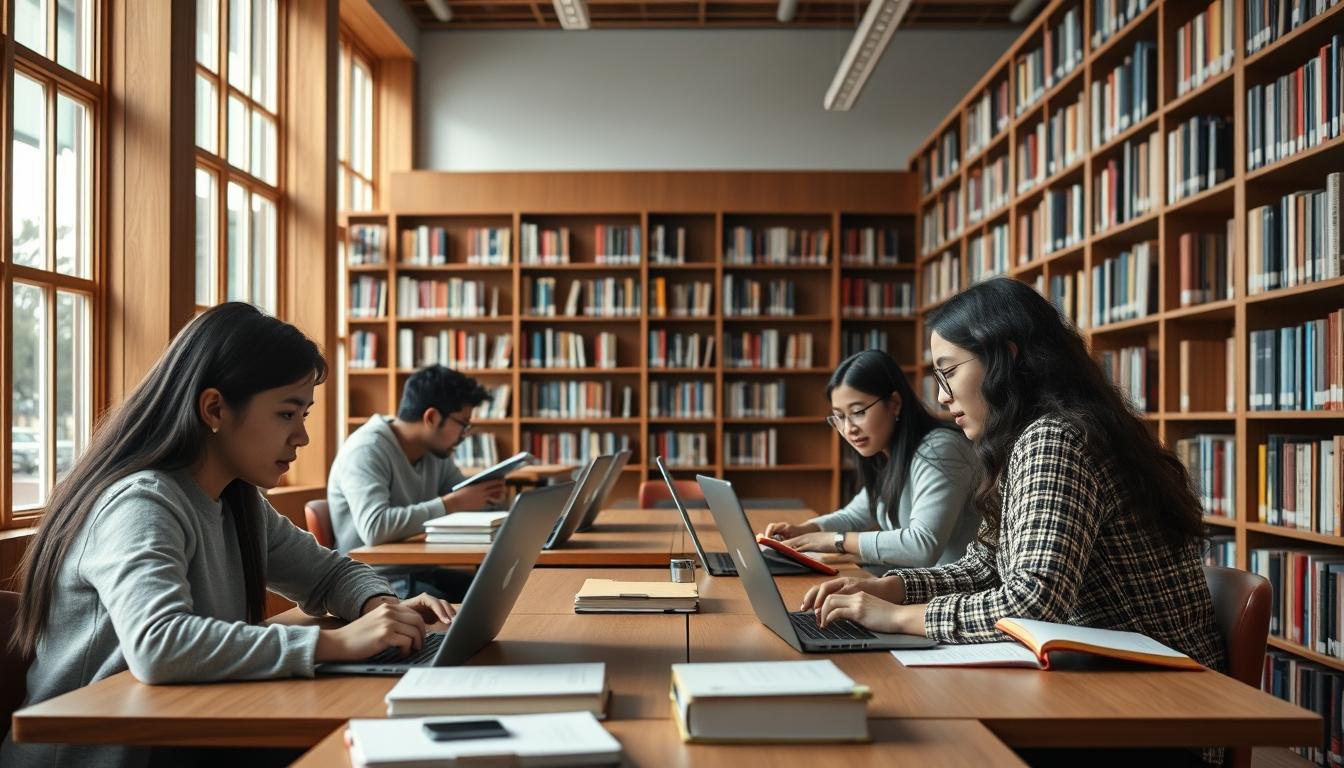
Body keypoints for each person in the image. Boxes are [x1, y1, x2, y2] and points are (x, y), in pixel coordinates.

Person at [3, 303, 454, 768]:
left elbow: (327, 574)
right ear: (214, 408)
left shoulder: (237, 499)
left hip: (185, 741)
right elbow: (159, 644)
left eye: (305, 415)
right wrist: (337, 643)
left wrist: (380, 609)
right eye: (286, 414)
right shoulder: (141, 502)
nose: (302, 437)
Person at [803, 278, 1223, 669]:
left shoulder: (1057, 439)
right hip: (1109, 677)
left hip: (1158, 702)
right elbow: (986, 567)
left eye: (948, 372)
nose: (941, 395)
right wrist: (890, 589)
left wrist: (900, 618)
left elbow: (1034, 601)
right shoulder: (1032, 437)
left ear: (1006, 356)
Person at [763, 350, 978, 574]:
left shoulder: (940, 449)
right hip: (921, 584)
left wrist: (836, 541)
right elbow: (855, 515)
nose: (848, 429)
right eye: (839, 417)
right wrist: (804, 530)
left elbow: (922, 545)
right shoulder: (888, 454)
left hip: (957, 594)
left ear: (894, 403)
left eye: (858, 412)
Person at [327, 365, 506, 600]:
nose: (465, 435)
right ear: (431, 417)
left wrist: (489, 499)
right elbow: (375, 528)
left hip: (420, 570)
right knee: (468, 610)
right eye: (463, 424)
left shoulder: (435, 452)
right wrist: (453, 504)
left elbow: (463, 496)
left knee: (500, 592)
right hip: (373, 582)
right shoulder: (367, 449)